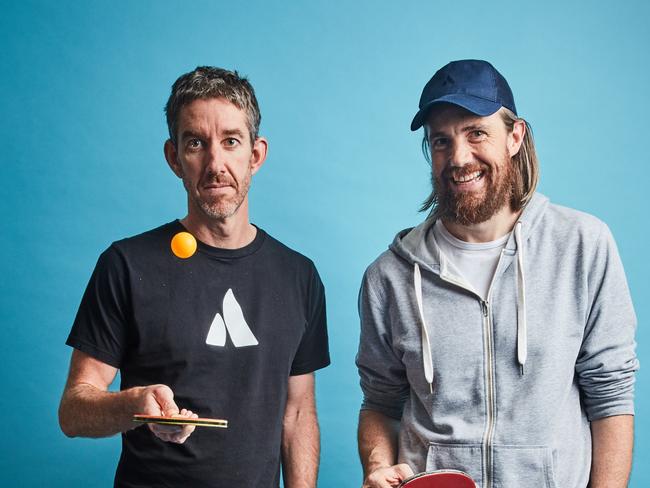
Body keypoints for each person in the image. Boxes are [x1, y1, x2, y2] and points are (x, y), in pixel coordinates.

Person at [356, 59, 638, 488]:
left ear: (515, 137)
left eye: (476, 134)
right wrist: (377, 465)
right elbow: (379, 402)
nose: (459, 158)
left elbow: (611, 398)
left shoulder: (583, 246)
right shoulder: (389, 277)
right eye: (441, 142)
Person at [59, 66, 330, 488]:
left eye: (231, 142)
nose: (215, 163)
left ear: (255, 155)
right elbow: (73, 411)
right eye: (196, 144)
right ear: (174, 157)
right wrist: (134, 405)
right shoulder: (126, 264)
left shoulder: (299, 276)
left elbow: (297, 414)